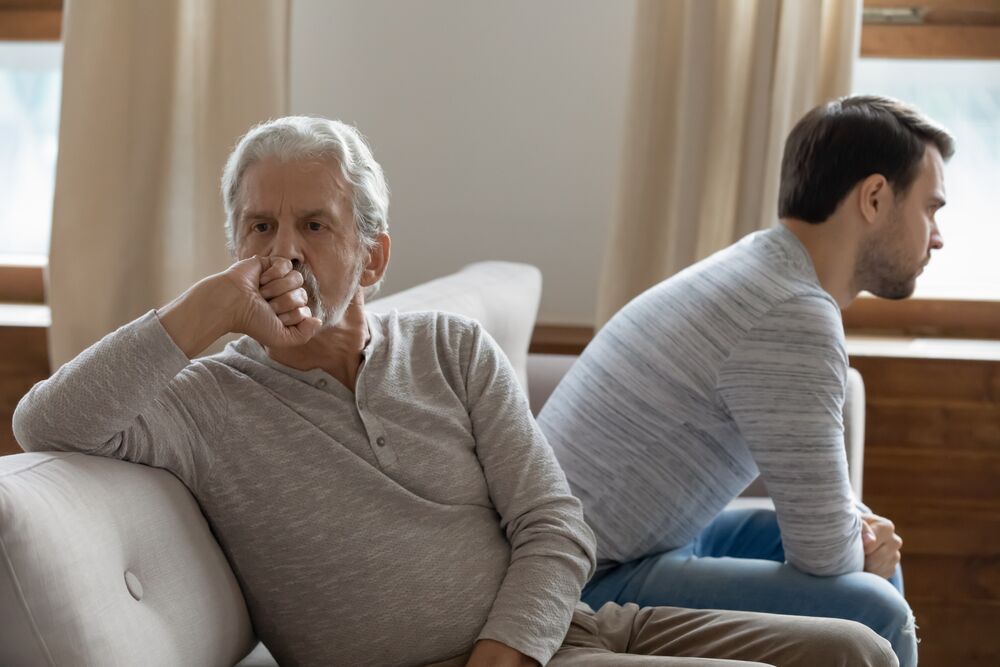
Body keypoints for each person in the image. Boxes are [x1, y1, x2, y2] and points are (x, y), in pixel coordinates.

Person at [14, 116, 895, 667]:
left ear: (374, 255)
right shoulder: (205, 402)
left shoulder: (448, 347)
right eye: (259, 226)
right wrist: (207, 306)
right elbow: (43, 420)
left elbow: (555, 525)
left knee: (857, 646)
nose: (283, 252)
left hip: (569, 632)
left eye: (314, 225)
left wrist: (508, 650)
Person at [537, 95, 953, 667]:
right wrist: (861, 549)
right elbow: (828, 554)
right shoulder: (790, 311)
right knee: (875, 607)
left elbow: (825, 527)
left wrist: (860, 538)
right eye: (931, 209)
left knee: (870, 547)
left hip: (632, 544)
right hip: (579, 580)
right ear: (875, 197)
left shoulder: (759, 268)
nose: (937, 237)